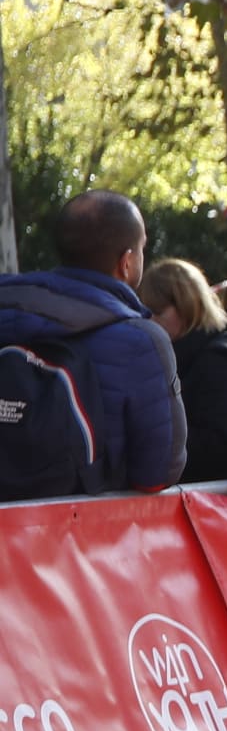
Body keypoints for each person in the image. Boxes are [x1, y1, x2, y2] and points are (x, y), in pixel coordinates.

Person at [0, 190, 186, 499]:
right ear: (126, 262)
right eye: (141, 248)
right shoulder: (141, 341)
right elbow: (156, 474)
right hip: (85, 536)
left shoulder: (7, 308)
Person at [139, 259, 227, 484]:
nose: (150, 320)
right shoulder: (164, 356)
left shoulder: (223, 359)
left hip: (213, 495)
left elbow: (221, 444)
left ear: (187, 305)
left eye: (157, 311)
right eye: (145, 312)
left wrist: (151, 441)